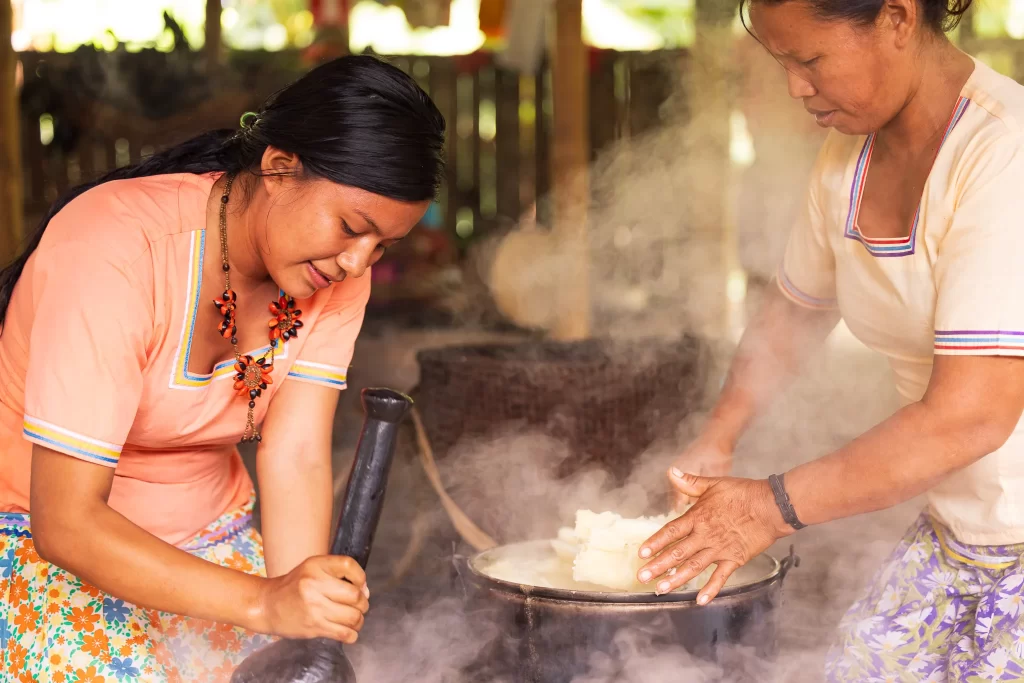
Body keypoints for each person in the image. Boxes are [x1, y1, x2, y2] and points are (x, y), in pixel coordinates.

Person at [0, 54, 445, 681]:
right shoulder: (115, 249)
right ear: (279, 167)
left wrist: (304, 632)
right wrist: (265, 603)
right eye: (351, 227)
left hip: (215, 537)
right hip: (39, 545)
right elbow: (66, 523)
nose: (356, 263)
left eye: (383, 247)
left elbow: (294, 457)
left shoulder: (339, 276)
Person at [633, 0, 1024, 680]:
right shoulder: (849, 156)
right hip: (963, 533)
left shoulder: (1004, 154)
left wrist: (769, 505)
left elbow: (973, 413)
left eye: (810, 60)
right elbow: (795, 311)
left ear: (898, 19)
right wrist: (718, 439)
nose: (794, 86)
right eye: (782, 62)